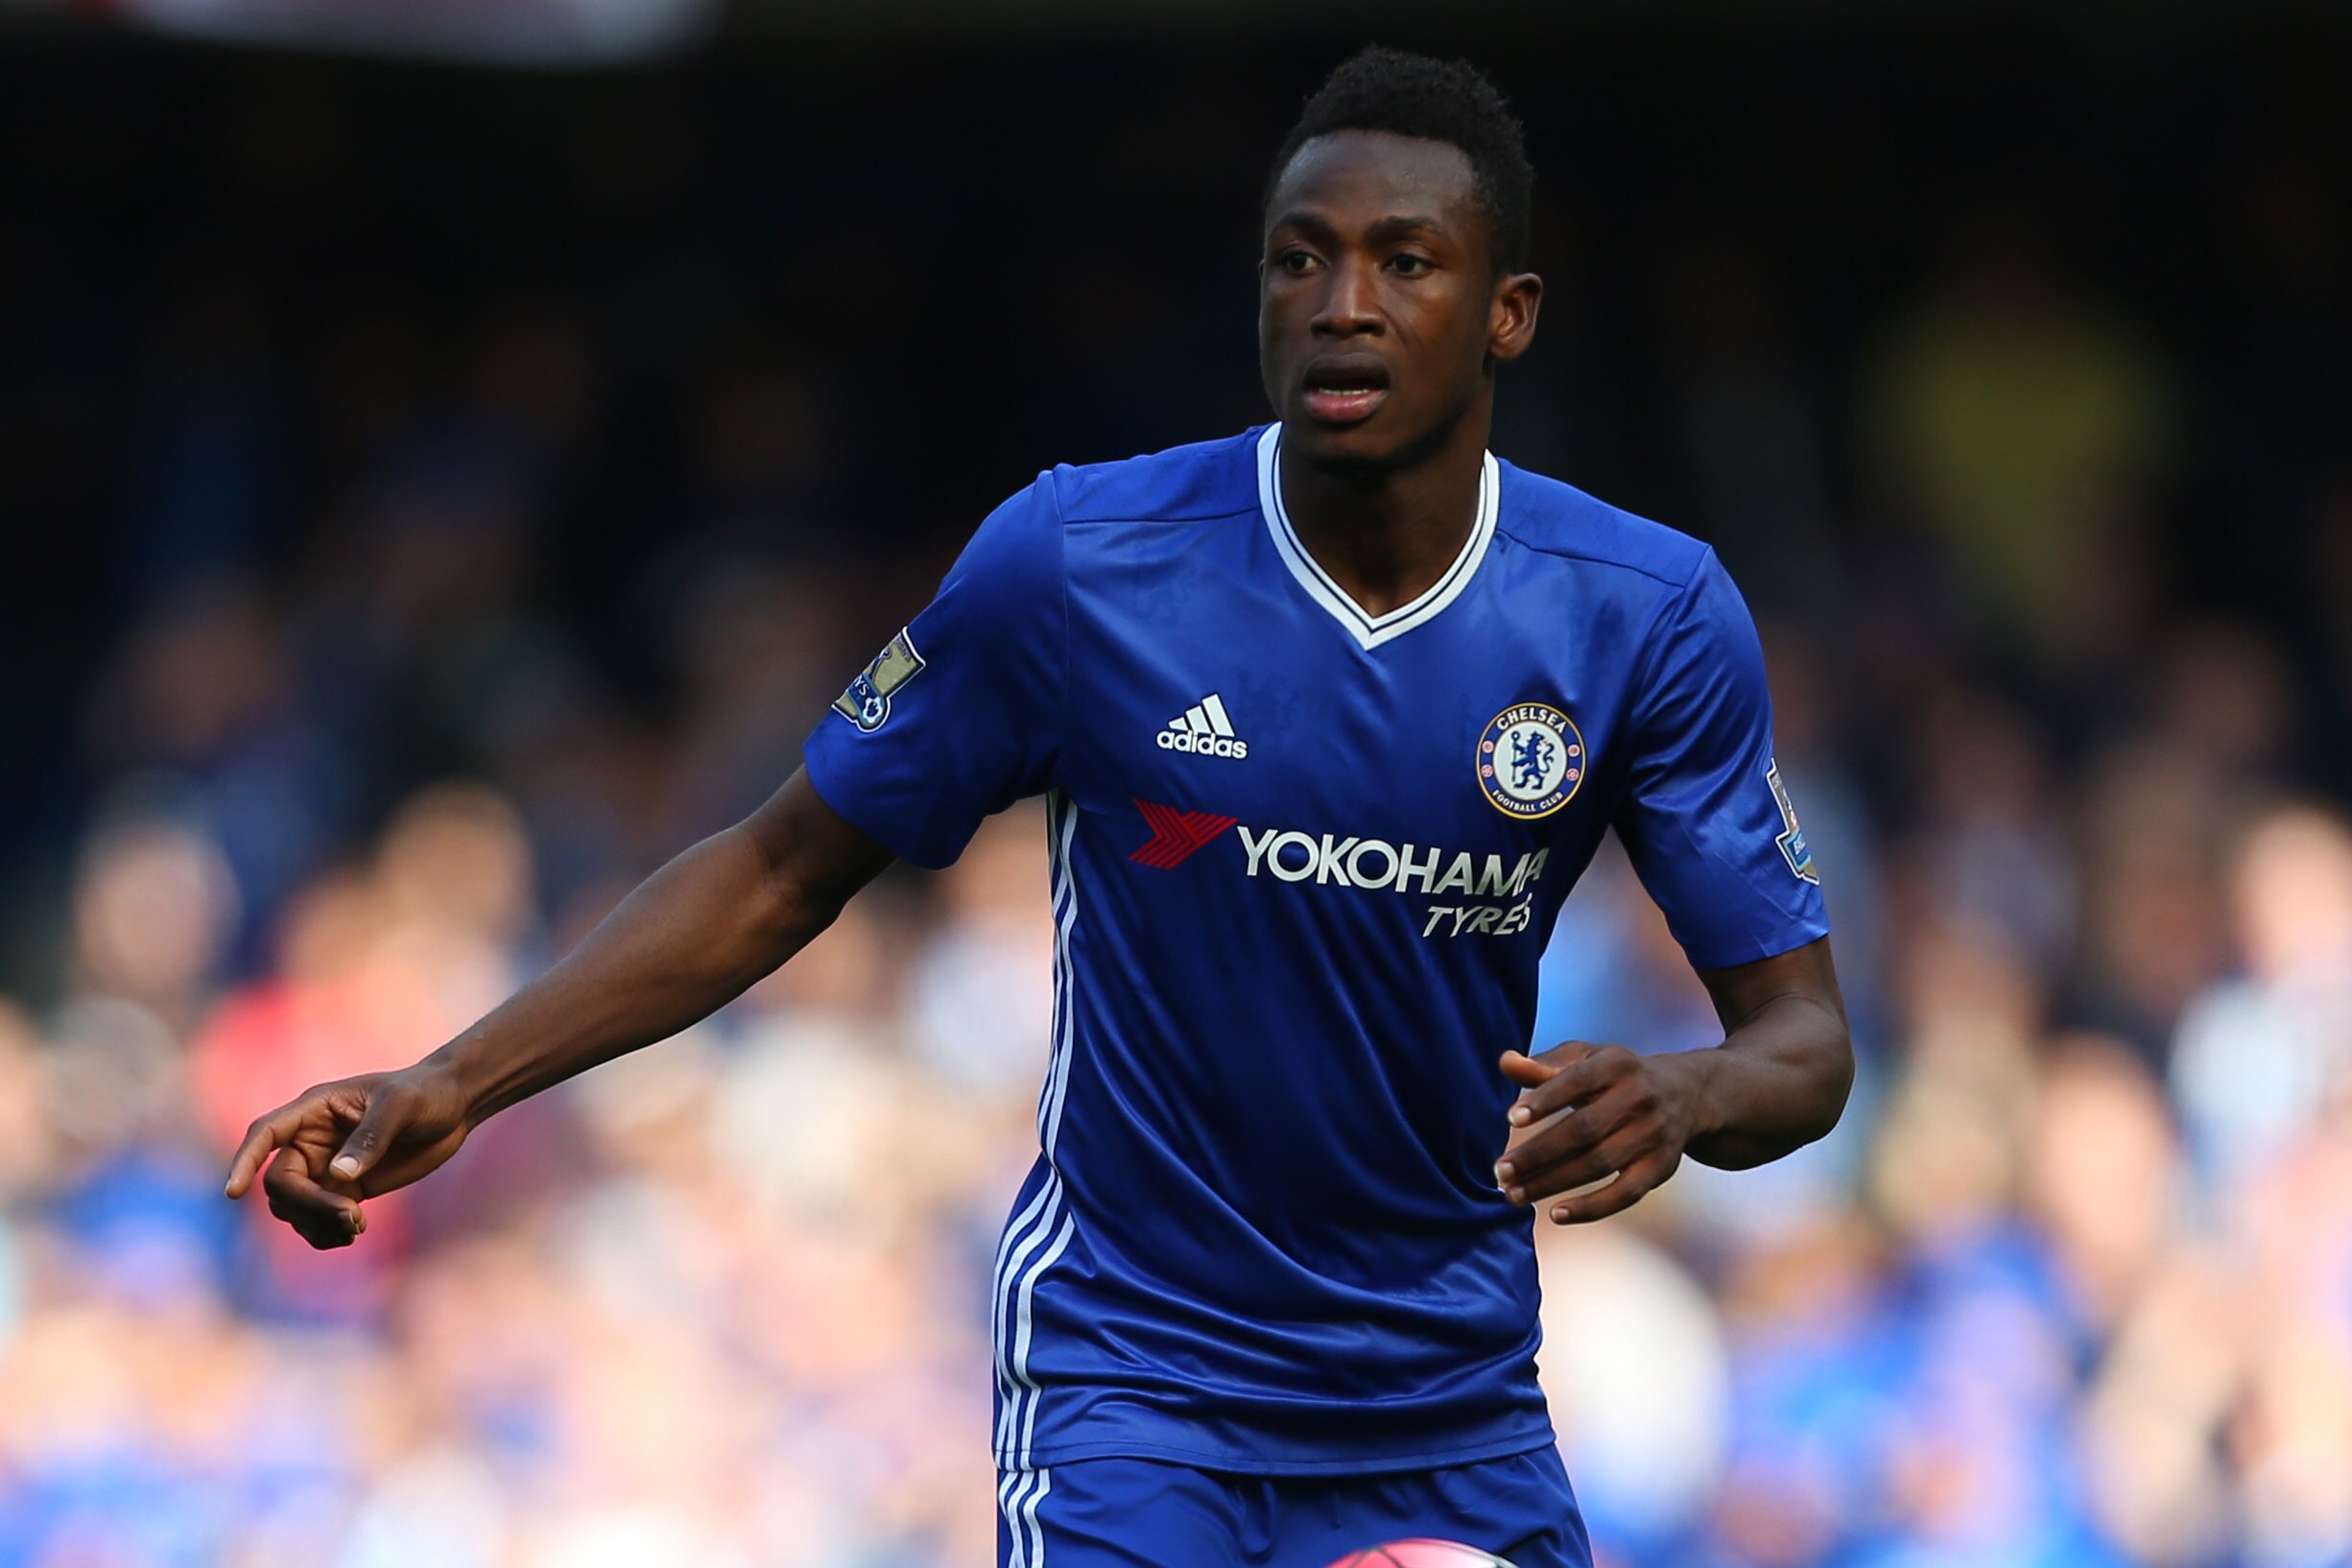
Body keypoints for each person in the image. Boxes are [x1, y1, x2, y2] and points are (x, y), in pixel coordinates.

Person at [223, 47, 1852, 1568]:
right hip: (1138, 1380)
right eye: (1300, 259)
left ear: (1509, 314)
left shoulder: (1641, 613)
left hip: (1451, 1402)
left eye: (1404, 262)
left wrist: (1689, 1092)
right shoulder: (1082, 564)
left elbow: (1803, 1040)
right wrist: (456, 1078)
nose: (1342, 303)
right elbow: (780, 866)